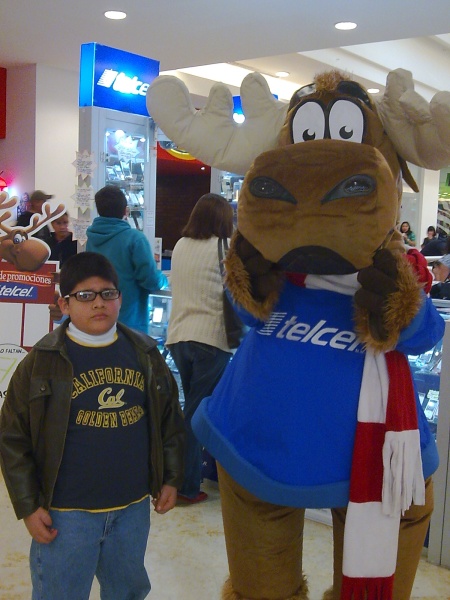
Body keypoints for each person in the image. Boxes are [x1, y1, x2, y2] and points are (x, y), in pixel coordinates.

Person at [0, 251, 185, 600]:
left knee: (127, 590)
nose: (98, 304)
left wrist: (172, 477)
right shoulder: (41, 363)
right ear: (64, 304)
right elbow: (12, 437)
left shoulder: (145, 355)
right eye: (84, 296)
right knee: (61, 592)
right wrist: (27, 504)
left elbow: (168, 421)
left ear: (119, 298)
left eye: (107, 294)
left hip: (131, 508)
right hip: (66, 514)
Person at [166, 193, 234, 503]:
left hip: (179, 336)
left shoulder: (180, 245)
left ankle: (185, 479)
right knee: (195, 416)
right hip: (211, 338)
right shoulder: (225, 248)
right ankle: (184, 485)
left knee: (191, 409)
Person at [86, 185, 167, 333]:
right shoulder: (135, 239)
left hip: (99, 318)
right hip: (131, 322)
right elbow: (150, 280)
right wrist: (164, 280)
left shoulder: (91, 238)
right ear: (126, 211)